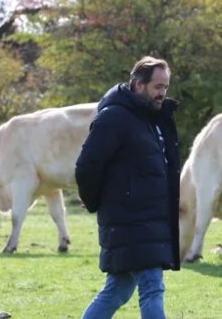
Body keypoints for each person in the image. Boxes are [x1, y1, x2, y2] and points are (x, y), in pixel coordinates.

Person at [75, 56, 181, 319]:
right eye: (157, 87)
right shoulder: (115, 118)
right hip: (132, 223)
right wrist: (93, 200)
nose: (162, 94)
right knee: (152, 289)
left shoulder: (151, 119)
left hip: (146, 224)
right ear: (137, 85)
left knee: (117, 291)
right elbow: (87, 165)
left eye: (165, 87)